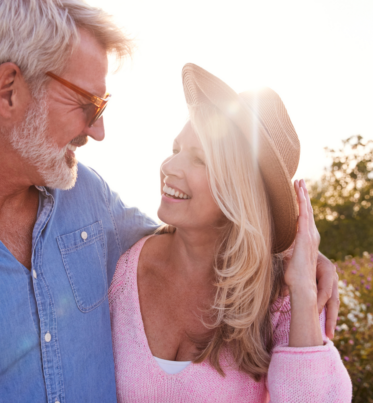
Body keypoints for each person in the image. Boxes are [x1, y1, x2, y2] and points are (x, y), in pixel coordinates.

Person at [0, 1, 339, 402]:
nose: (98, 130)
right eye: (88, 104)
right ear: (9, 91)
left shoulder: (88, 202)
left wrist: (292, 252)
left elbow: (204, 239)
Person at [109, 64, 352, 402]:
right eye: (177, 149)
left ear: (241, 191)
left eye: (200, 160)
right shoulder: (120, 264)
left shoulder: (280, 295)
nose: (170, 167)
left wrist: (303, 292)